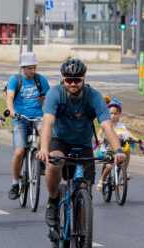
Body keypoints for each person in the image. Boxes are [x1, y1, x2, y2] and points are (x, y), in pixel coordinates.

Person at [36, 58, 126, 228]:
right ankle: (53, 200)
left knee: (85, 193)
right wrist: (44, 149)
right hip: (59, 140)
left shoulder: (94, 96)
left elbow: (107, 126)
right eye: (69, 80)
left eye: (77, 80)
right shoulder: (55, 94)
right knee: (54, 163)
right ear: (63, 79)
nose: (73, 84)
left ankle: (83, 241)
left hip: (83, 144)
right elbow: (47, 123)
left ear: (83, 78)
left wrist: (118, 150)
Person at [6, 52, 50, 200]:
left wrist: (44, 100)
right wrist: (11, 111)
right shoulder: (15, 79)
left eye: (34, 68)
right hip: (20, 118)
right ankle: (14, 183)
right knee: (19, 152)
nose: (33, 71)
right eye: (30, 68)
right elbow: (10, 97)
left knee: (44, 131)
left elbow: (49, 100)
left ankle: (40, 159)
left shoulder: (40, 79)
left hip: (38, 116)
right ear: (23, 67)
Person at [96, 98, 139, 190]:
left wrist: (135, 138)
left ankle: (124, 172)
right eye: (111, 113)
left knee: (127, 153)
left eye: (115, 113)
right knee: (109, 165)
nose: (113, 116)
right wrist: (100, 138)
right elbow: (99, 133)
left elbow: (128, 133)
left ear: (119, 114)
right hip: (108, 148)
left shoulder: (121, 125)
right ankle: (102, 180)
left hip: (120, 147)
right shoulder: (106, 124)